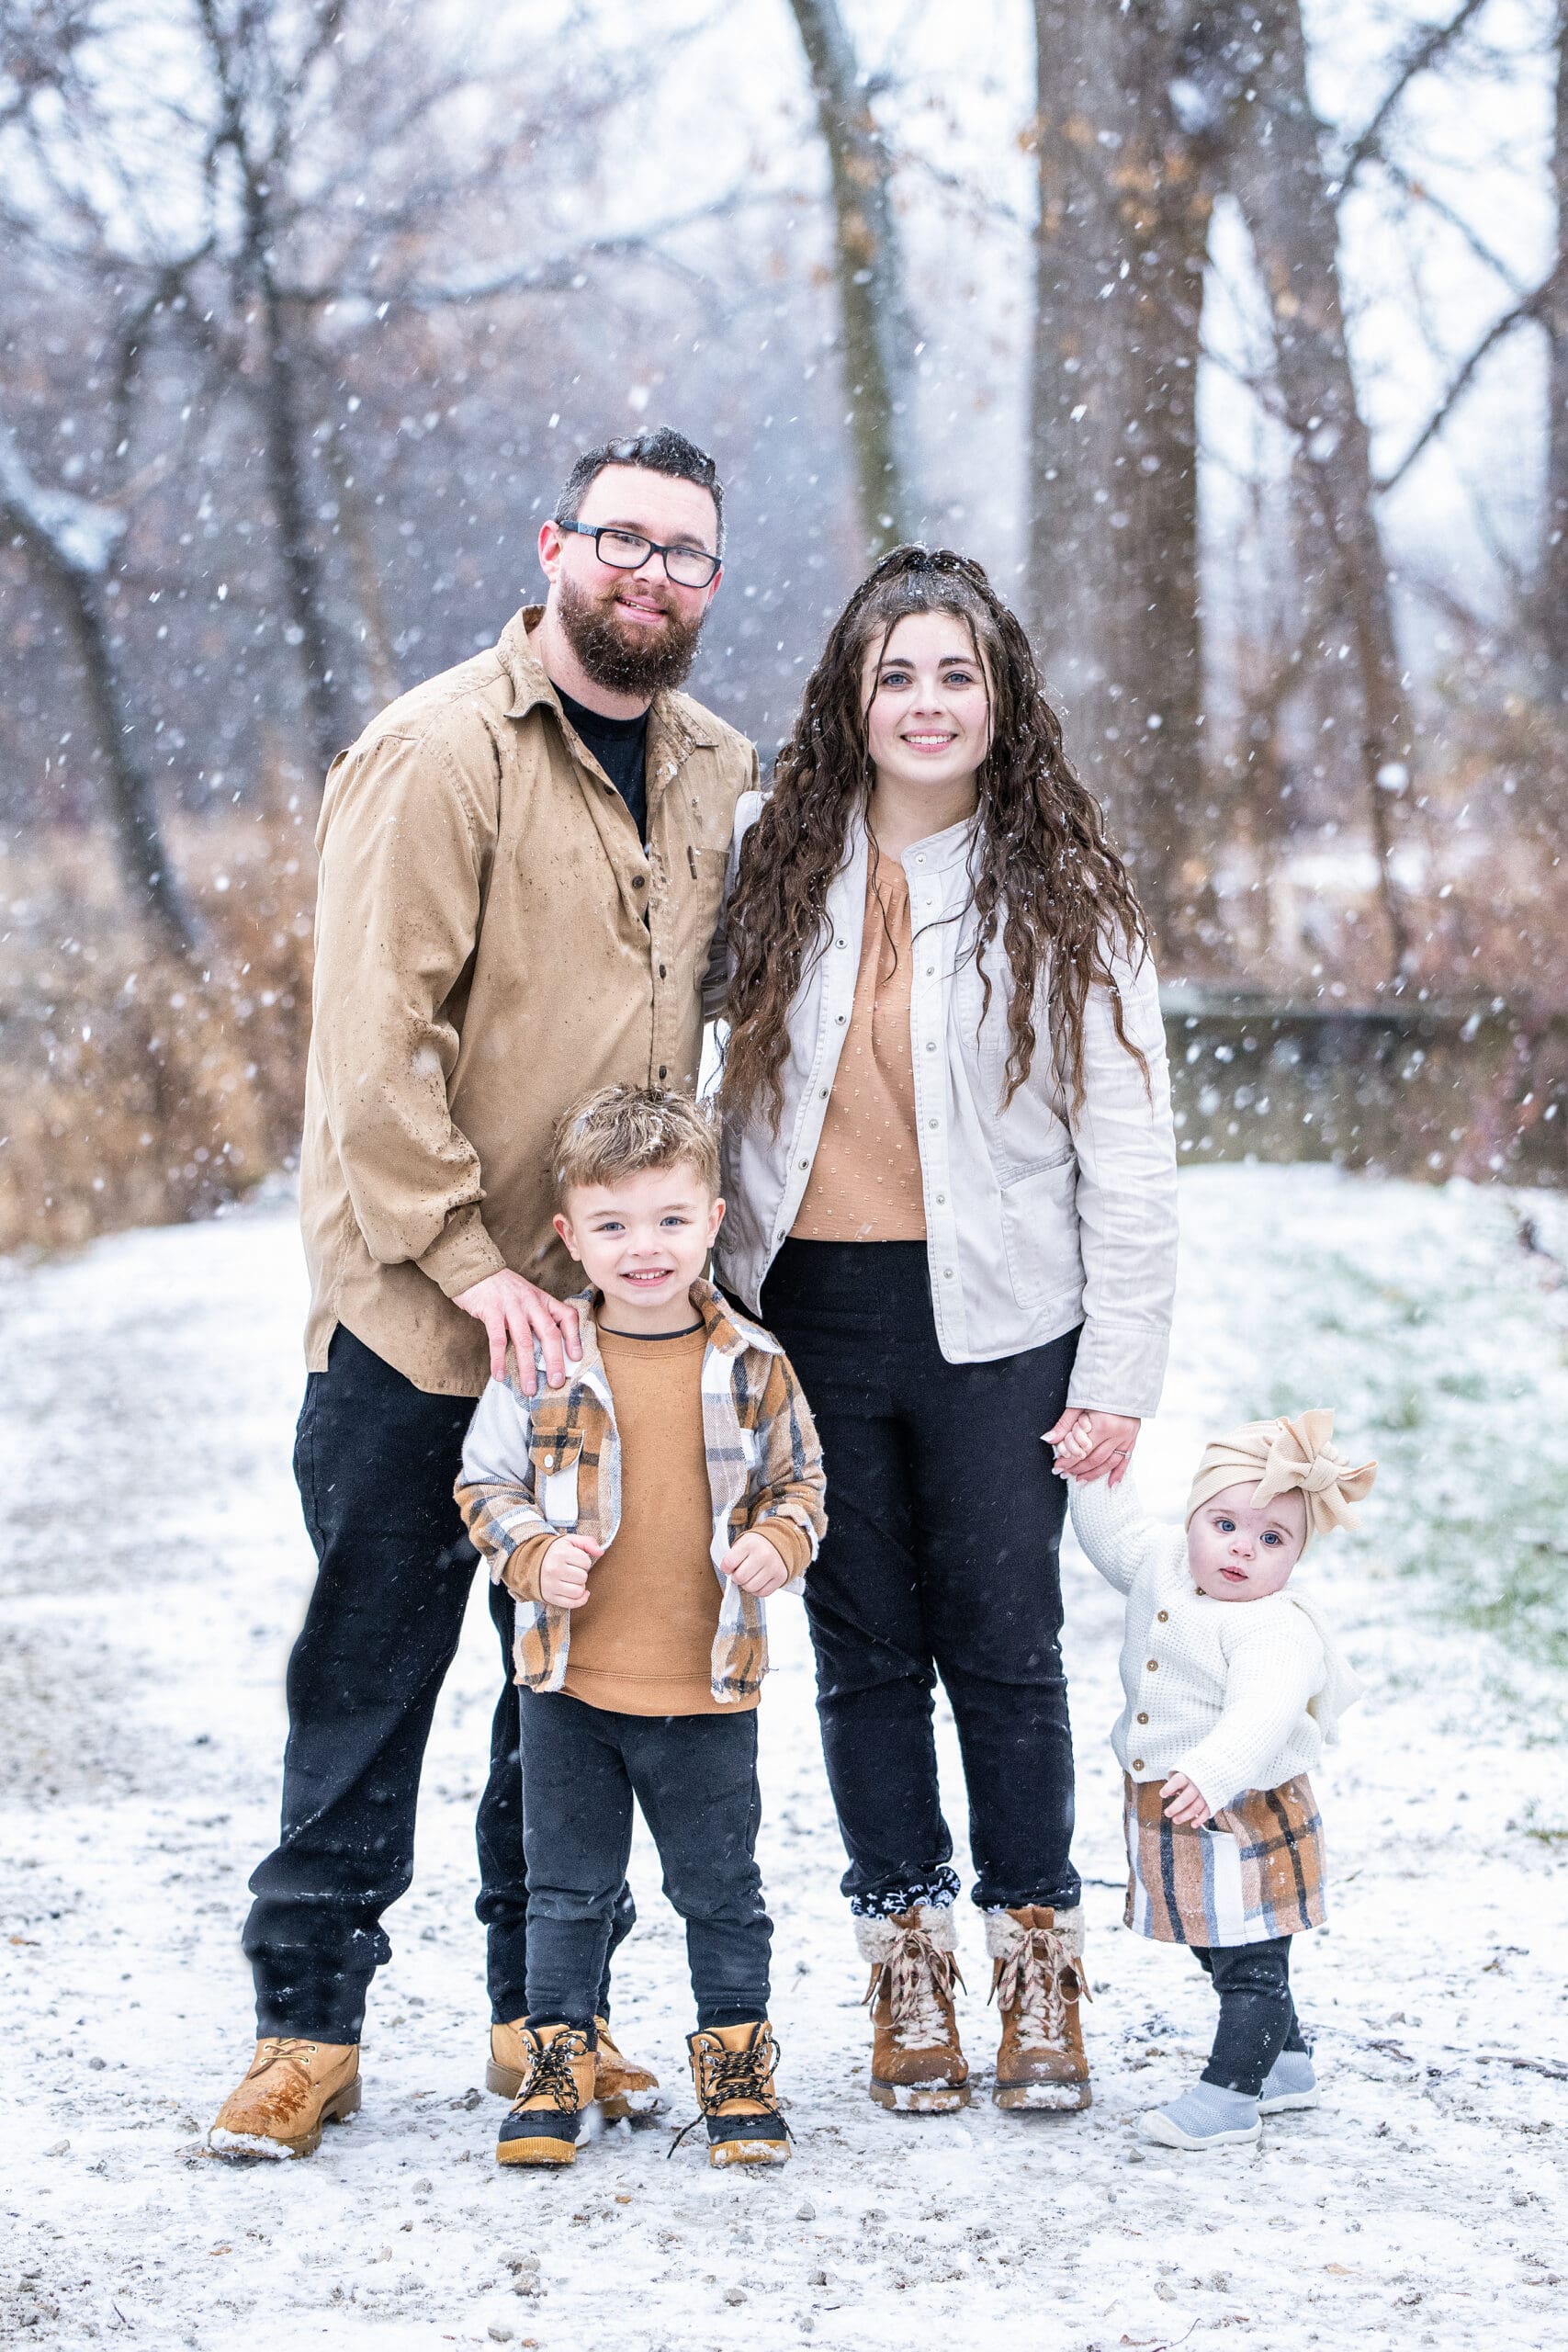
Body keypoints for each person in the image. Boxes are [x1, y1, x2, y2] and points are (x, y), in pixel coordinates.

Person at [210, 426, 757, 2158]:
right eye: (621, 541)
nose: (647, 576)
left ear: (709, 585)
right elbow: (373, 1054)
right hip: (421, 1321)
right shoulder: (437, 750)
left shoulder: (714, 770)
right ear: (552, 546)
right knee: (372, 1678)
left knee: (573, 1684)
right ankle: (306, 2026)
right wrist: (468, 1263)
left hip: (609, 1333)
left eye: (683, 554)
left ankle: (551, 2017)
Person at [716, 544, 1179, 2117]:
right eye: (894, 673)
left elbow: (1129, 1153)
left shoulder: (1069, 892)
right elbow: (698, 1080)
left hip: (1001, 1325)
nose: (926, 702)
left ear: (1002, 699)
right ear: (852, 699)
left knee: (1004, 1647)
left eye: (955, 674)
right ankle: (903, 1955)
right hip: (811, 1315)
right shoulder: (770, 858)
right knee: (860, 1655)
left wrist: (1115, 1370)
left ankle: (1036, 1955)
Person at [456, 1084, 826, 2169]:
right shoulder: (544, 1360)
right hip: (569, 1687)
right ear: (571, 1235)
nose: (645, 1247)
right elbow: (486, 1483)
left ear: (713, 1221)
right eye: (613, 1225)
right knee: (565, 1892)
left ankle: (738, 2066)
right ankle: (556, 2063)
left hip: (708, 1687)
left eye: (670, 1219)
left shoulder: (755, 1364)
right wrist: (533, 1552)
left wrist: (778, 1542)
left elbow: (801, 1483)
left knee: (722, 1892)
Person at [1064, 1409, 1374, 2149]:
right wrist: (1091, 1470)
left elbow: (1263, 1710)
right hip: (1178, 1800)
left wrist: (1212, 1769)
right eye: (1223, 1524)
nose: (1242, 1549)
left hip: (1243, 1807)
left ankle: (1230, 2095)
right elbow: (1111, 1537)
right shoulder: (1166, 1563)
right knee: (1216, 1941)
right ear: (1193, 1519)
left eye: (1272, 1539)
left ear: (1296, 1557)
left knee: (1249, 1961)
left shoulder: (1273, 1624)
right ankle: (1287, 2065)